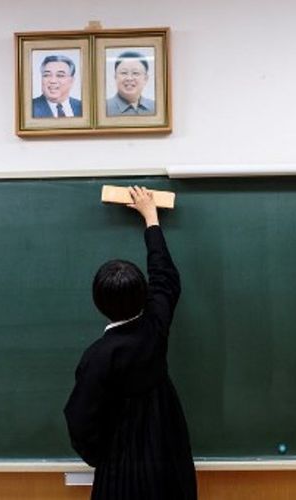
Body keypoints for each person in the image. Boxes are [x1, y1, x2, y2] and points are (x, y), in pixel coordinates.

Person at [64, 186, 197, 500]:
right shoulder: (155, 328)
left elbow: (80, 422)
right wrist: (150, 217)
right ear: (143, 295)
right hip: (168, 464)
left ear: (98, 302)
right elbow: (164, 277)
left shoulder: (97, 357)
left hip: (122, 475)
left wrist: (107, 458)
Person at [106, 51, 156, 116]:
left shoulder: (155, 108)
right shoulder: (104, 108)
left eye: (135, 73)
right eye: (124, 73)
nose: (129, 78)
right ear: (115, 77)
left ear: (146, 78)